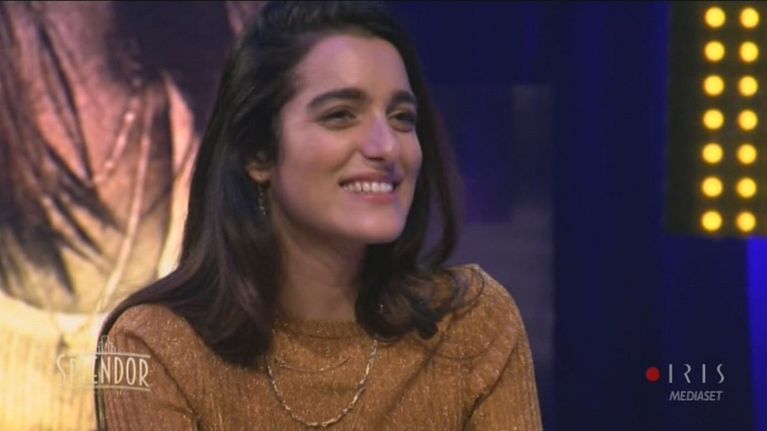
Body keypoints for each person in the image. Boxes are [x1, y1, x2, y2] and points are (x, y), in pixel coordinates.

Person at [96, 2, 543, 430]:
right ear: (258, 153)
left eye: (402, 117)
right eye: (340, 115)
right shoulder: (153, 347)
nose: (387, 147)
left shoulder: (473, 323)